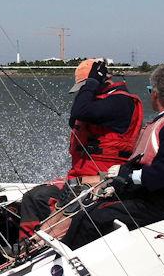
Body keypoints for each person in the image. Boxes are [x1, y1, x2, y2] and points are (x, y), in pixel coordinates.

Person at [62, 65, 164, 250]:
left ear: (155, 93)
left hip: (161, 202)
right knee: (87, 208)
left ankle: (63, 266)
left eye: (149, 91)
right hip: (148, 194)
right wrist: (121, 178)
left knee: (93, 217)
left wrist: (128, 175)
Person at [18, 58, 143, 238]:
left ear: (98, 82)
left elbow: (80, 111)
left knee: (62, 207)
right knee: (34, 197)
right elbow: (76, 116)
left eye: (85, 87)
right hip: (79, 178)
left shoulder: (120, 102)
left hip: (102, 180)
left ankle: (40, 241)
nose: (84, 92)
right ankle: (26, 244)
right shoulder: (97, 102)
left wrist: (91, 83)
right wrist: (91, 87)